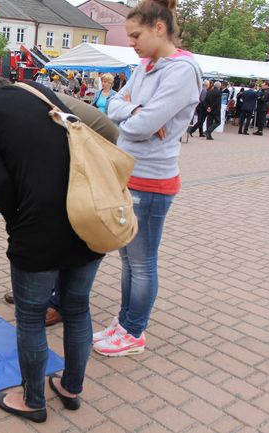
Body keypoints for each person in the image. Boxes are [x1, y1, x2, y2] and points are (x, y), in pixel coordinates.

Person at [0, 57, 104, 423]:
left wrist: (14, 223)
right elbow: (79, 136)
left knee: (31, 317)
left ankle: (33, 400)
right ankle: (71, 388)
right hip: (88, 210)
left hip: (38, 222)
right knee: (77, 307)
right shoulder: (35, 88)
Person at [97, 0, 201, 356]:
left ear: (160, 28)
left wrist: (135, 115)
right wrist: (135, 110)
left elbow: (140, 127)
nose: (131, 42)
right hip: (130, 172)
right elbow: (112, 106)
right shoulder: (146, 65)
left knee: (141, 263)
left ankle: (134, 331)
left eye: (136, 34)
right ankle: (125, 322)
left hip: (152, 180)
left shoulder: (181, 70)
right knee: (128, 259)